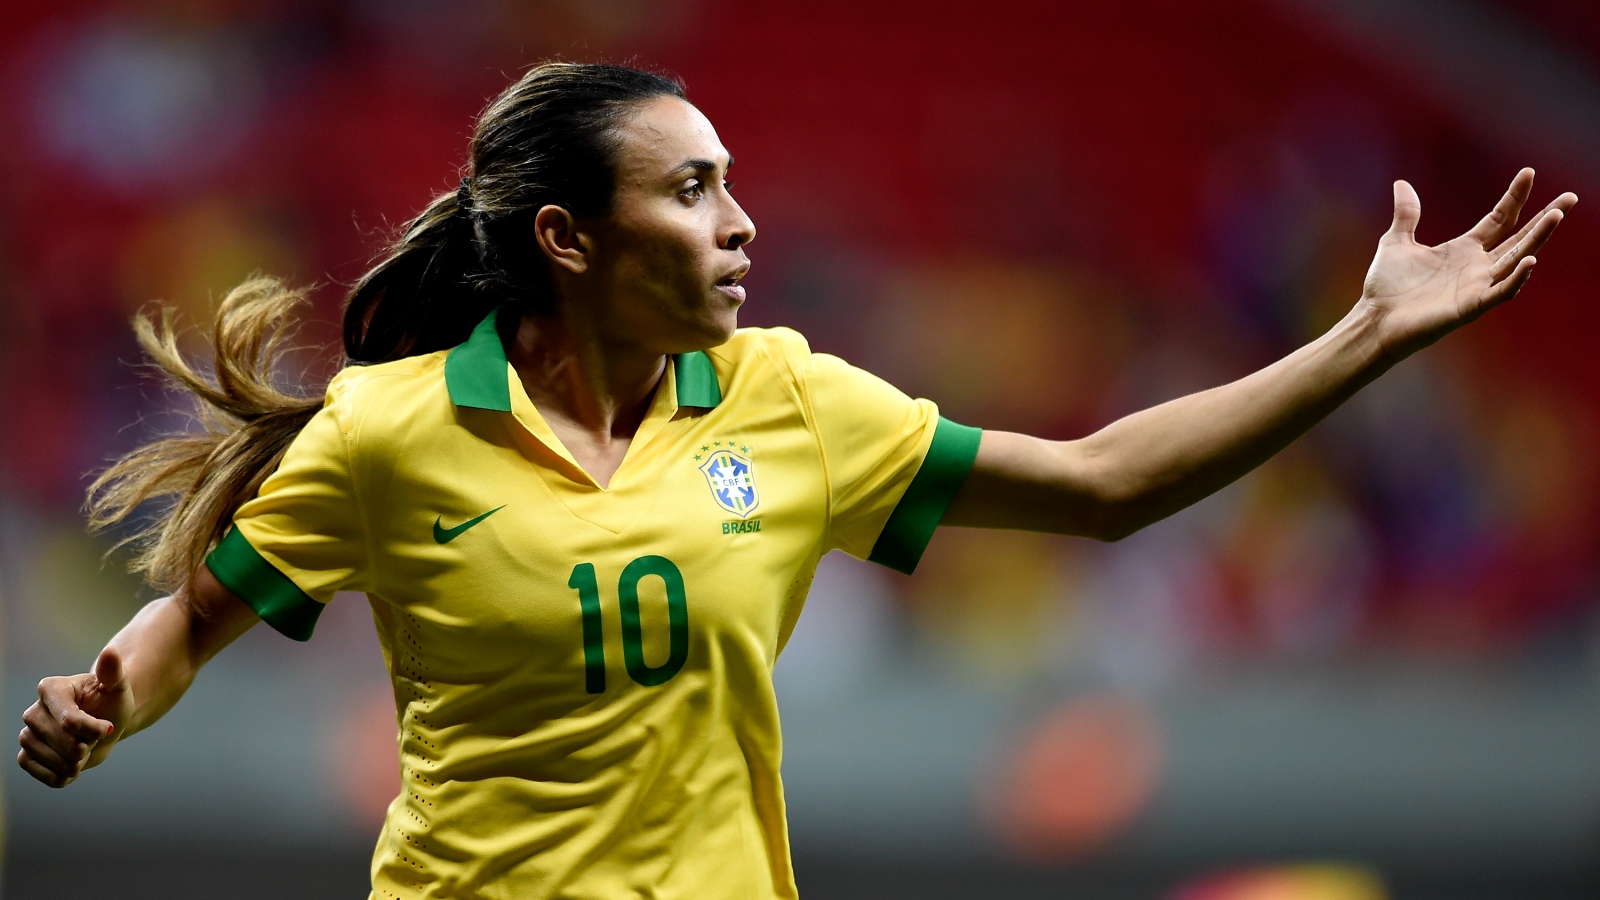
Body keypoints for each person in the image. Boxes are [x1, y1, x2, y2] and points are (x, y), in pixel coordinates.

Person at [16, 61, 1574, 899]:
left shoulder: (788, 400)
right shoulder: (385, 432)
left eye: (738, 182)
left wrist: (1367, 338)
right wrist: (104, 698)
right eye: (694, 190)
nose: (741, 221)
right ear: (568, 238)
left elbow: (1101, 482)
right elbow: (185, 629)